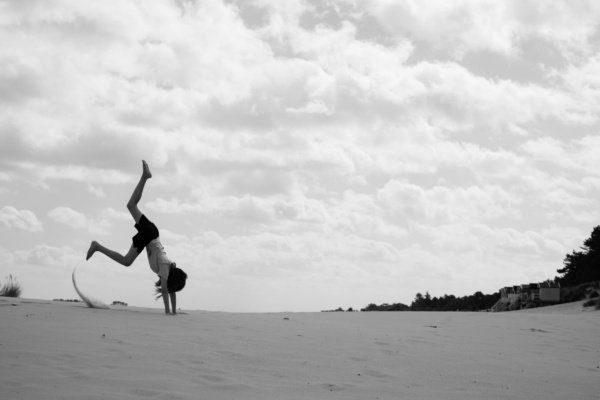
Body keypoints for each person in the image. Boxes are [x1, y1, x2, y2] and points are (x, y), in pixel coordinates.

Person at [86, 160, 187, 315]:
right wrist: (169, 313)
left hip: (153, 232)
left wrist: (175, 311)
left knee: (131, 205)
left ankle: (145, 176)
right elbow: (166, 291)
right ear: (172, 280)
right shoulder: (166, 269)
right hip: (149, 236)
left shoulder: (168, 267)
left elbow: (170, 290)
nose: (169, 288)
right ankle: (97, 246)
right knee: (127, 261)